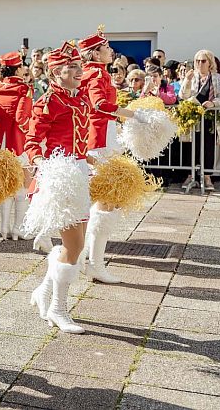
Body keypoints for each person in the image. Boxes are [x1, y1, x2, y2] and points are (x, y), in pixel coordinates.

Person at [25, 42, 91, 334]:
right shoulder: (49, 102)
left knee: (76, 243)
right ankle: (58, 309)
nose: (79, 72)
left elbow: (78, 140)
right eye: (72, 68)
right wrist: (45, 166)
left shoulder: (79, 99)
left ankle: (44, 292)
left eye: (80, 66)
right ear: (55, 72)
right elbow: (31, 143)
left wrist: (89, 157)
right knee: (74, 245)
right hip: (60, 175)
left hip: (77, 171)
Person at [78, 31, 136, 285]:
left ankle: (89, 259)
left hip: (103, 135)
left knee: (103, 201)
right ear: (95, 53)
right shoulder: (96, 73)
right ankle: (94, 263)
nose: (111, 51)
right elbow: (98, 104)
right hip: (99, 139)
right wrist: (132, 115)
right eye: (106, 47)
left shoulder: (96, 72)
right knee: (105, 200)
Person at [0, 52, 32, 240]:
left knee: (5, 185)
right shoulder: (24, 88)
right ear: (18, 68)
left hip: (1, 140)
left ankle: (4, 229)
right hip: (19, 141)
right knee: (23, 185)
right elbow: (23, 118)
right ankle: (18, 229)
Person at [179, 50, 220, 192]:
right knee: (191, 146)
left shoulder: (217, 78)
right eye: (197, 61)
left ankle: (207, 177)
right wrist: (187, 81)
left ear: (210, 62)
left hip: (210, 118)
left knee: (208, 147)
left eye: (203, 61)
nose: (200, 63)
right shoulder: (191, 76)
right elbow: (182, 96)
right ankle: (190, 175)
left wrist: (214, 104)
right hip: (193, 118)